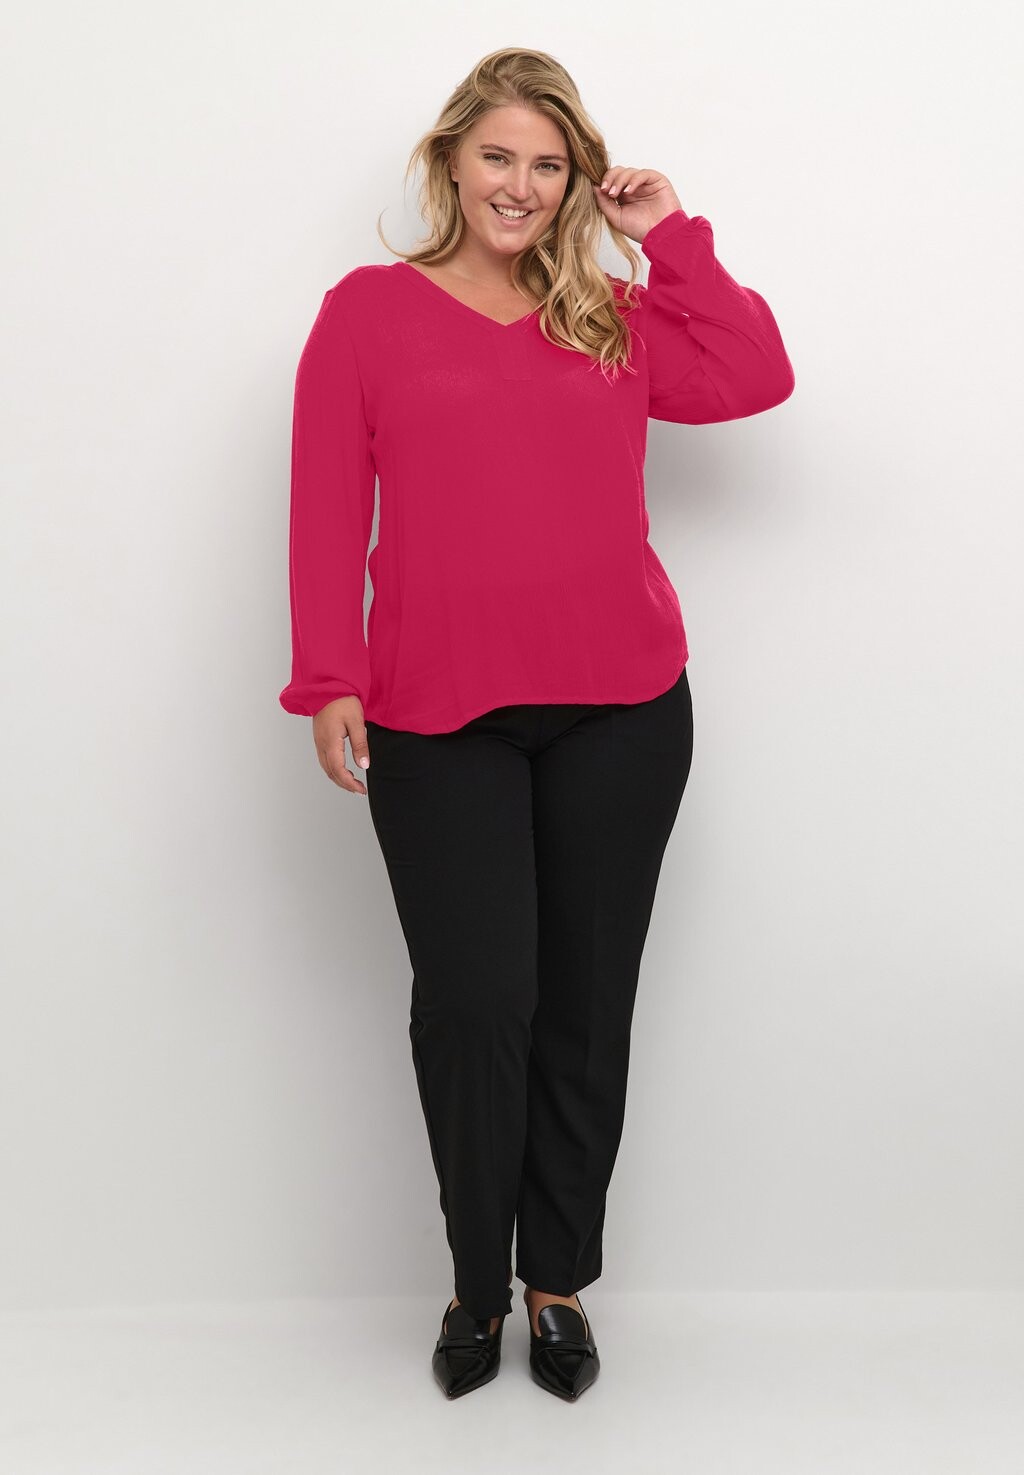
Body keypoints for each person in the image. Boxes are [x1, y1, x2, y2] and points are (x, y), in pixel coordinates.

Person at [278, 47, 795, 1401]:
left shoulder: (607, 315)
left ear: (576, 181)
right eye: (498, 157)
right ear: (451, 161)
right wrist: (328, 675)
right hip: (436, 714)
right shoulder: (368, 313)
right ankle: (474, 1280)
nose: (520, 185)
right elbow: (328, 498)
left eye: (548, 165)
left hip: (623, 710)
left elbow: (755, 373)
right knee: (474, 1003)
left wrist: (669, 235)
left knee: (583, 1004)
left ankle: (556, 1281)